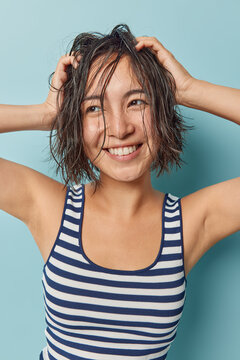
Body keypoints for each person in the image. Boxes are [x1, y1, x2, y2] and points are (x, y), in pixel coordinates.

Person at [0, 23, 239, 360]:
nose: (121, 128)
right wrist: (45, 113)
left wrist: (188, 89)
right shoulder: (50, 208)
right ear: (76, 123)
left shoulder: (191, 222)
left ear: (161, 110)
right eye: (94, 108)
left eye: (137, 101)